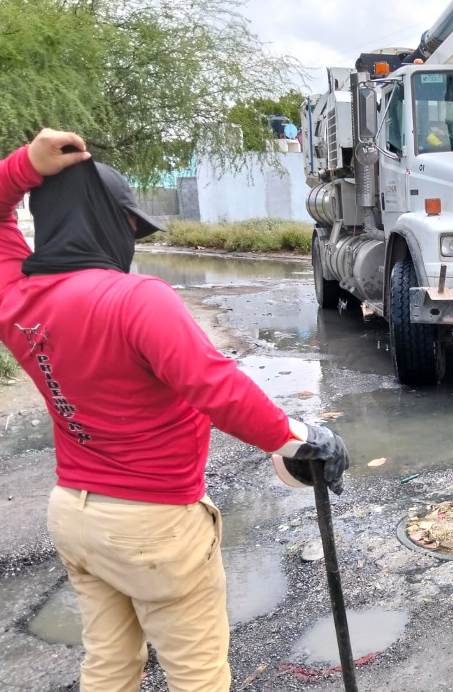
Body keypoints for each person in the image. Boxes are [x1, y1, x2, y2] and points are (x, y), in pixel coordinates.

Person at [0, 128, 349, 692]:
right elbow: (215, 387)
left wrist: (24, 166)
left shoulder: (17, 298)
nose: (132, 240)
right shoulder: (136, 300)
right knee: (197, 673)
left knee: (109, 663)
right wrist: (297, 437)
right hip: (154, 523)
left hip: (74, 514)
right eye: (129, 227)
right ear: (107, 223)